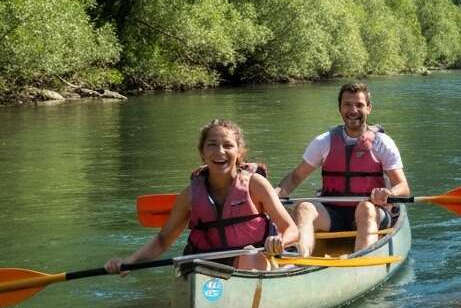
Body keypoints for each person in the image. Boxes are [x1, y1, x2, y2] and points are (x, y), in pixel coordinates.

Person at [106, 119, 300, 274]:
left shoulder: (255, 184)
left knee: (249, 254)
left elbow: (291, 229)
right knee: (194, 267)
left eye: (228, 145)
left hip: (253, 260)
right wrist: (129, 261)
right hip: (207, 266)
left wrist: (280, 241)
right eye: (212, 145)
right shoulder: (189, 196)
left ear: (239, 153)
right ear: (202, 153)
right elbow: (162, 241)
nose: (220, 152)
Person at [277, 82, 410, 253]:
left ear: (369, 108)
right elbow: (295, 177)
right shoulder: (323, 142)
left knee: (365, 209)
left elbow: (403, 187)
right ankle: (301, 262)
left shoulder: (383, 143)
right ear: (340, 108)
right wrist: (277, 193)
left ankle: (363, 263)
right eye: (347, 104)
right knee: (305, 207)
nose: (353, 110)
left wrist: (390, 193)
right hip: (333, 214)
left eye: (359, 105)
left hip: (372, 212)